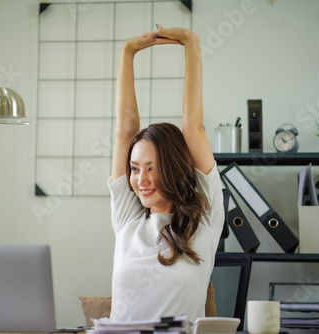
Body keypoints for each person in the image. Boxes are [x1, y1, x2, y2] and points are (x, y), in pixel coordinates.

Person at [108, 25, 224, 322]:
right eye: (135, 169)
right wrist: (127, 52)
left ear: (173, 168)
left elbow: (192, 127)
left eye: (152, 169)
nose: (140, 180)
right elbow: (124, 131)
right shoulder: (127, 220)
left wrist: (192, 44)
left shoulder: (205, 219)